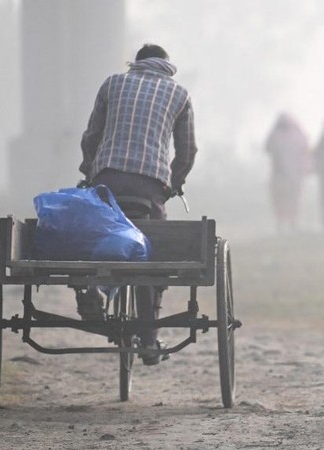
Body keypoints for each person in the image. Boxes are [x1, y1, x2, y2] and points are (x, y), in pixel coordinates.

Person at [79, 43, 198, 365]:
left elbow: (91, 136)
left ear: (137, 63)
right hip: (149, 186)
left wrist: (89, 170)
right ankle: (148, 339)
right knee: (151, 254)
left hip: (108, 180)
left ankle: (97, 287)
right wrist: (174, 182)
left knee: (103, 232)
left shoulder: (112, 84)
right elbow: (187, 151)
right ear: (166, 66)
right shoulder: (179, 94)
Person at [264, 112, 311, 233]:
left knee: (285, 199)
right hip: (287, 174)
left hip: (285, 174)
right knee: (287, 199)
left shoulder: (276, 134)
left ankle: (287, 223)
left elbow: (267, 148)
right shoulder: (297, 134)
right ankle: (288, 223)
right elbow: (305, 151)